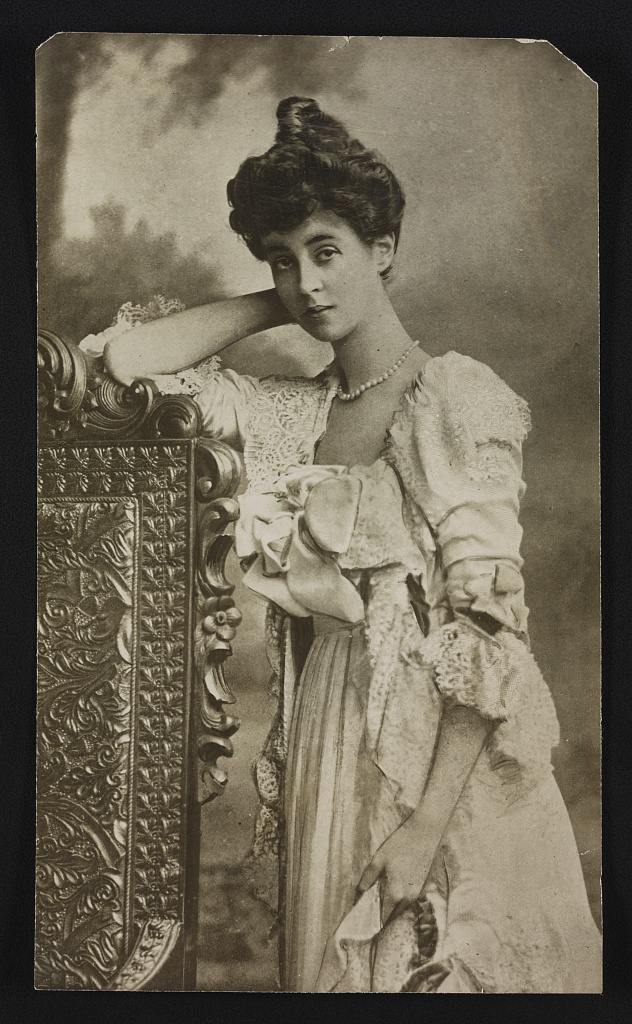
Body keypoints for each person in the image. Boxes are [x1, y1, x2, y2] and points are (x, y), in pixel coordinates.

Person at [97, 97, 602, 993]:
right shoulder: (295, 412)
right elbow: (125, 363)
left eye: (328, 252)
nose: (309, 283)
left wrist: (423, 825)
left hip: (436, 755)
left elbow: (490, 633)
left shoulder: (454, 397)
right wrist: (282, 301)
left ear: (385, 248)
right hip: (327, 733)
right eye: (283, 262)